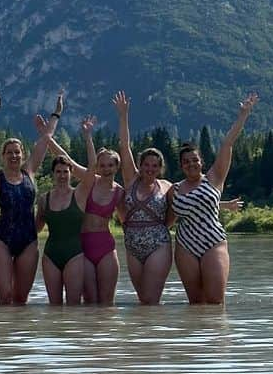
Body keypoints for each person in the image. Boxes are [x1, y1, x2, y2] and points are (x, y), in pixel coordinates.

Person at [171, 93, 258, 305]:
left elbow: (227, 144)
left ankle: (216, 337)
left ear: (201, 162)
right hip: (185, 244)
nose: (191, 164)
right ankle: (197, 336)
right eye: (186, 162)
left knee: (215, 301)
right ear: (181, 166)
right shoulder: (173, 189)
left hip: (213, 240)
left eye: (195, 160)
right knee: (196, 303)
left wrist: (243, 114)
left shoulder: (214, 178)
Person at [41, 116, 122, 304]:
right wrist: (47, 137)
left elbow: (128, 220)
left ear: (116, 167)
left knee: (107, 302)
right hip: (82, 245)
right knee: (90, 301)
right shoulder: (88, 182)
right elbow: (64, 160)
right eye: (102, 165)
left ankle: (106, 333)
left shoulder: (119, 192)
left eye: (110, 165)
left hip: (106, 246)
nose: (106, 169)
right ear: (97, 167)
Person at [0, 126, 50, 305]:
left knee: (21, 298)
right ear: (3, 156)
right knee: (5, 296)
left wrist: (55, 115)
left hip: (28, 241)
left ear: (23, 154)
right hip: (2, 240)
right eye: (9, 153)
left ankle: (19, 332)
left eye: (17, 152)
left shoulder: (29, 172)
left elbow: (44, 142)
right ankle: (2, 332)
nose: (14, 156)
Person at [112, 91, 173, 305]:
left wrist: (223, 204)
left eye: (155, 166)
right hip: (132, 246)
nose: (150, 169)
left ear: (160, 168)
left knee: (150, 298)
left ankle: (153, 336)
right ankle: (147, 336)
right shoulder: (131, 180)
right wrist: (123, 115)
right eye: (146, 164)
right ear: (140, 165)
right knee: (143, 301)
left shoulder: (167, 187)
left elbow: (186, 202)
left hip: (159, 244)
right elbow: (124, 146)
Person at [36, 152, 86, 306]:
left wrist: (88, 138)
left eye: (66, 171)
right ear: (53, 173)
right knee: (54, 306)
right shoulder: (44, 199)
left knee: (74, 304)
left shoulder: (79, 194)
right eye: (58, 171)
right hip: (51, 255)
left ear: (71, 173)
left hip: (75, 254)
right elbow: (36, 228)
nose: (62, 175)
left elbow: (91, 175)